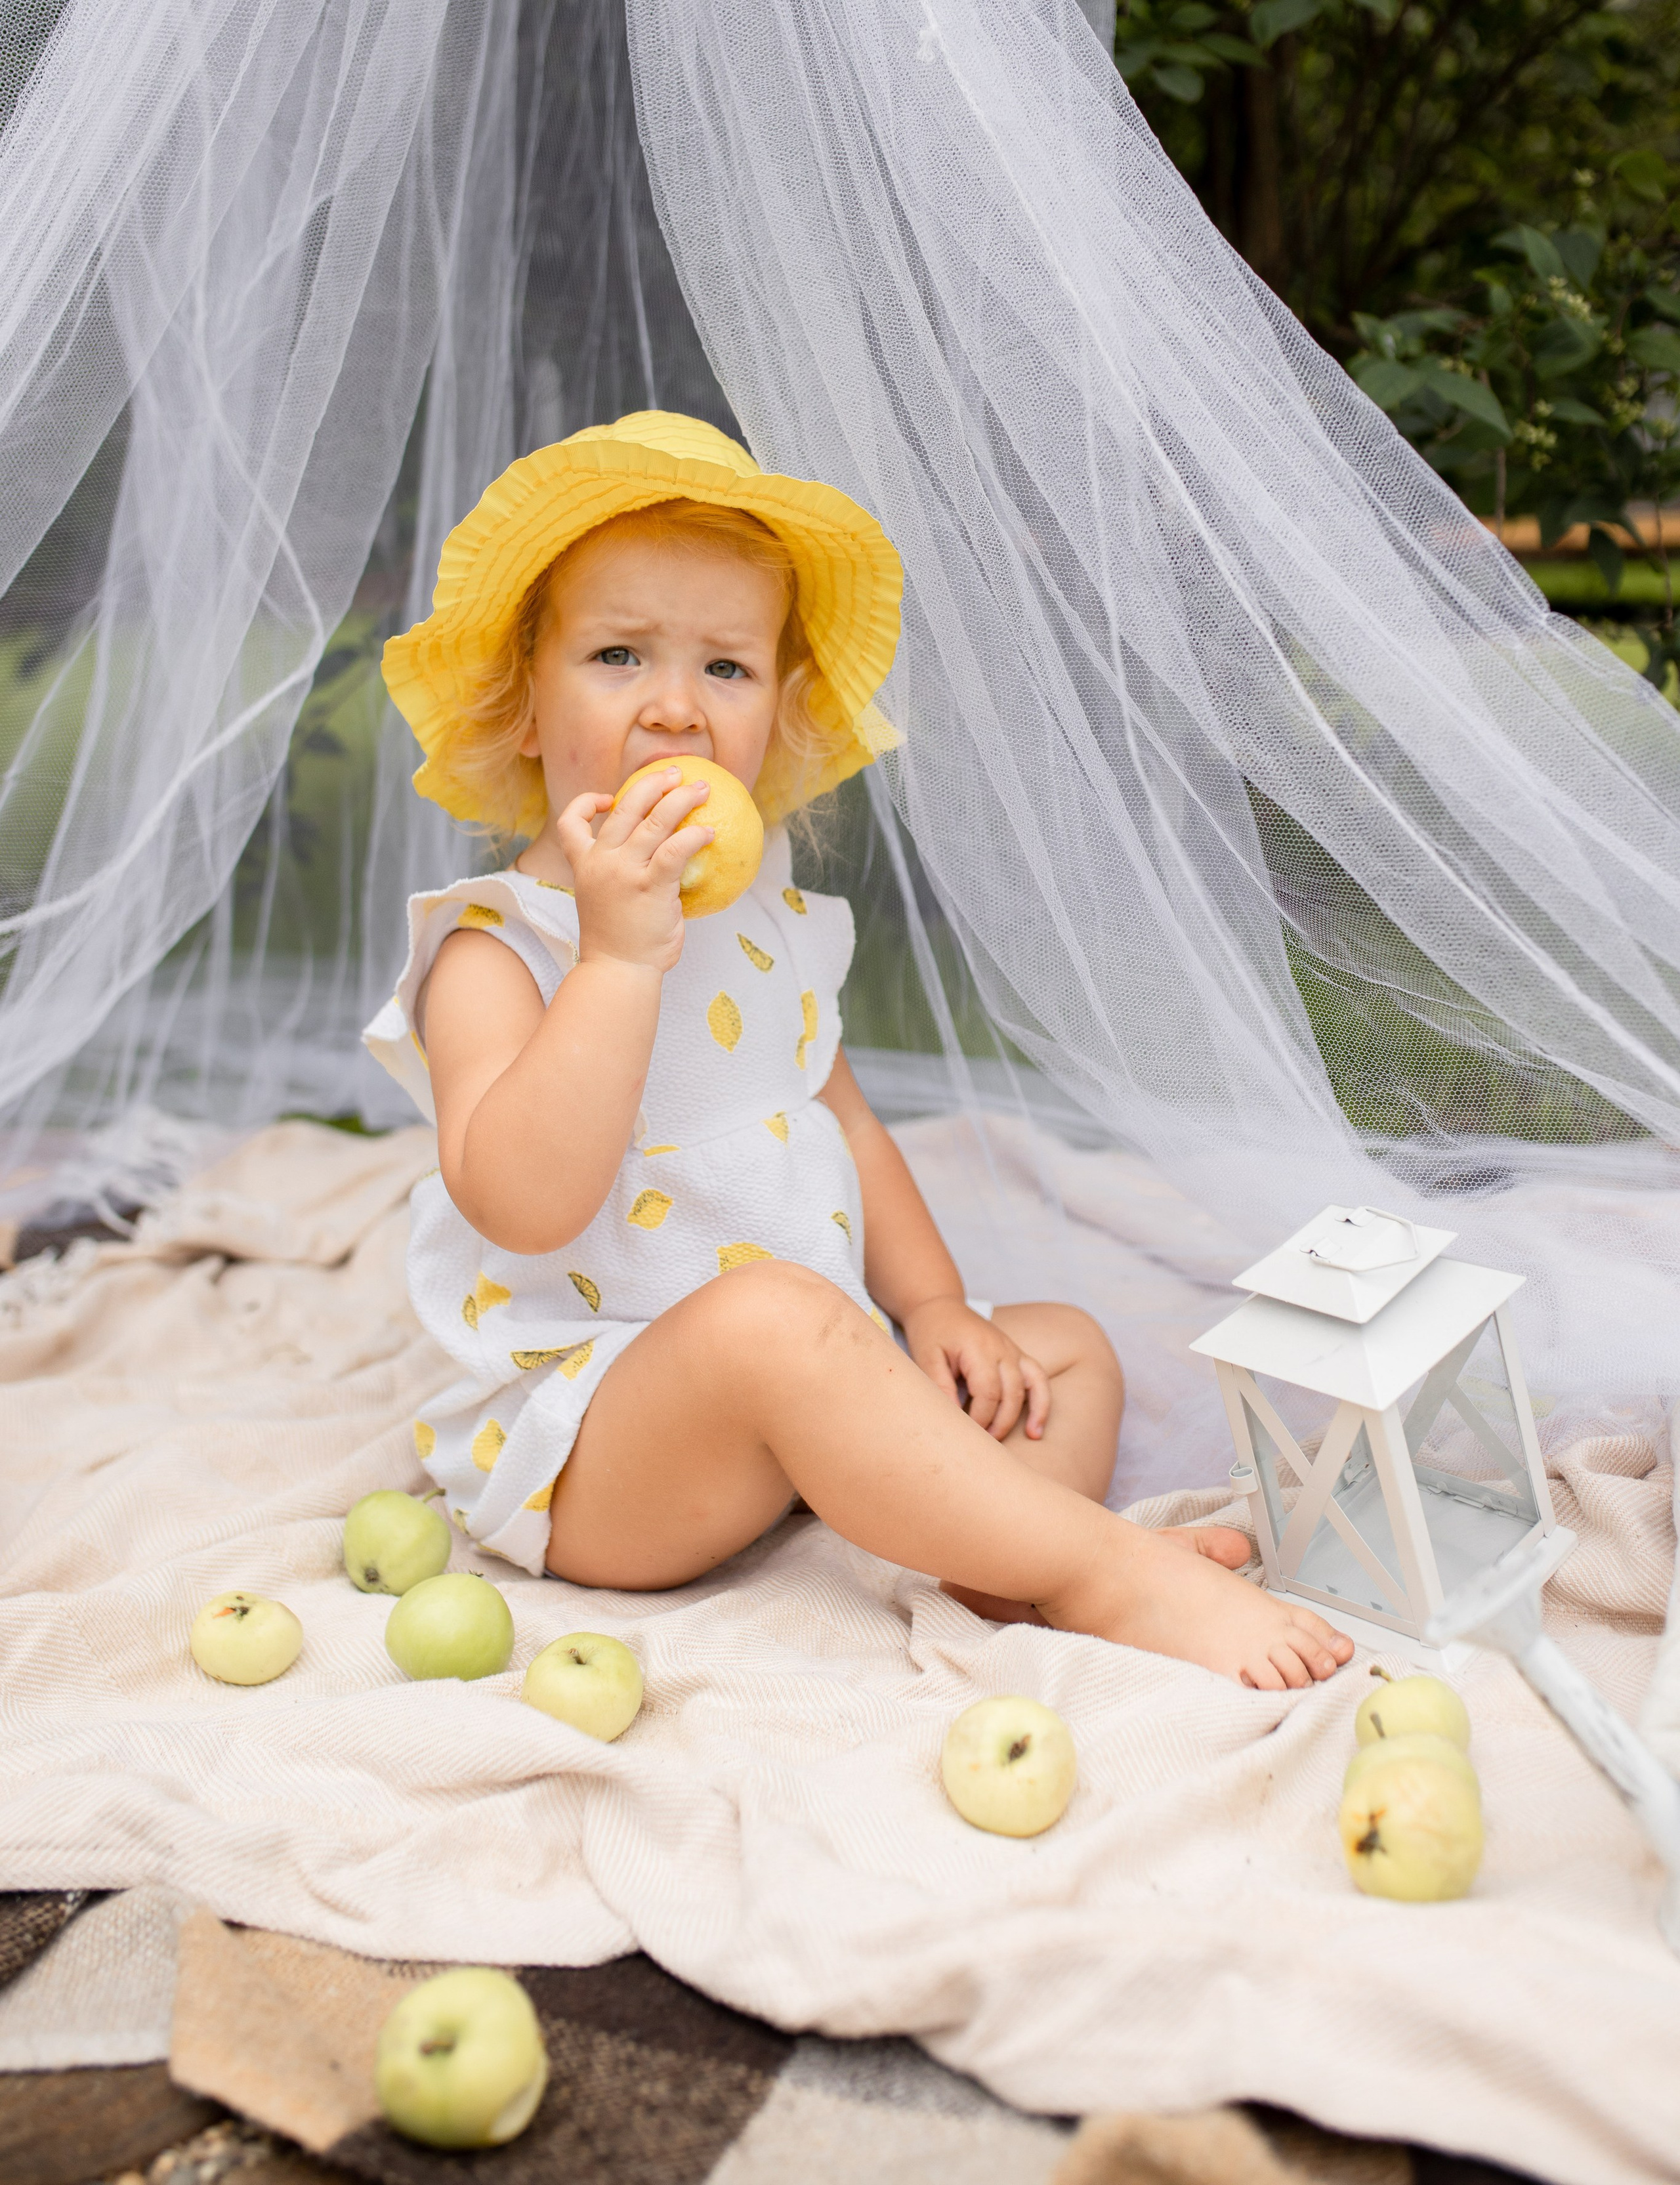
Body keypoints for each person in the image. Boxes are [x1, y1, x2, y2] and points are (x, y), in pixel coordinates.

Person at [365, 411, 1354, 1690]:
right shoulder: (500, 950)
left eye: (723, 669)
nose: (674, 708)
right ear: (522, 707)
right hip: (605, 1453)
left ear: (776, 716)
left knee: (1057, 1351)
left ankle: (996, 1554)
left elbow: (847, 1124)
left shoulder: (768, 913)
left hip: (801, 1402)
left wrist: (935, 1307)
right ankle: (1096, 1568)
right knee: (778, 1323)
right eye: (617, 656)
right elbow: (525, 1201)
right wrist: (617, 961)